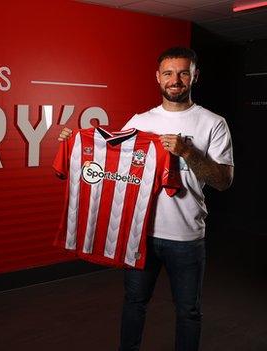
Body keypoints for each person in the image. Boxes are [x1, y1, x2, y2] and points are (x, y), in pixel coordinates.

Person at [58, 47, 234, 351]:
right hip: (140, 234)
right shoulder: (140, 121)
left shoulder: (213, 123)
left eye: (183, 73)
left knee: (188, 312)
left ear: (195, 76)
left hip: (186, 235)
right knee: (134, 303)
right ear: (158, 77)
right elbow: (110, 163)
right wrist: (74, 143)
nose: (175, 80)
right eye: (168, 73)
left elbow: (223, 181)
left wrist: (188, 152)